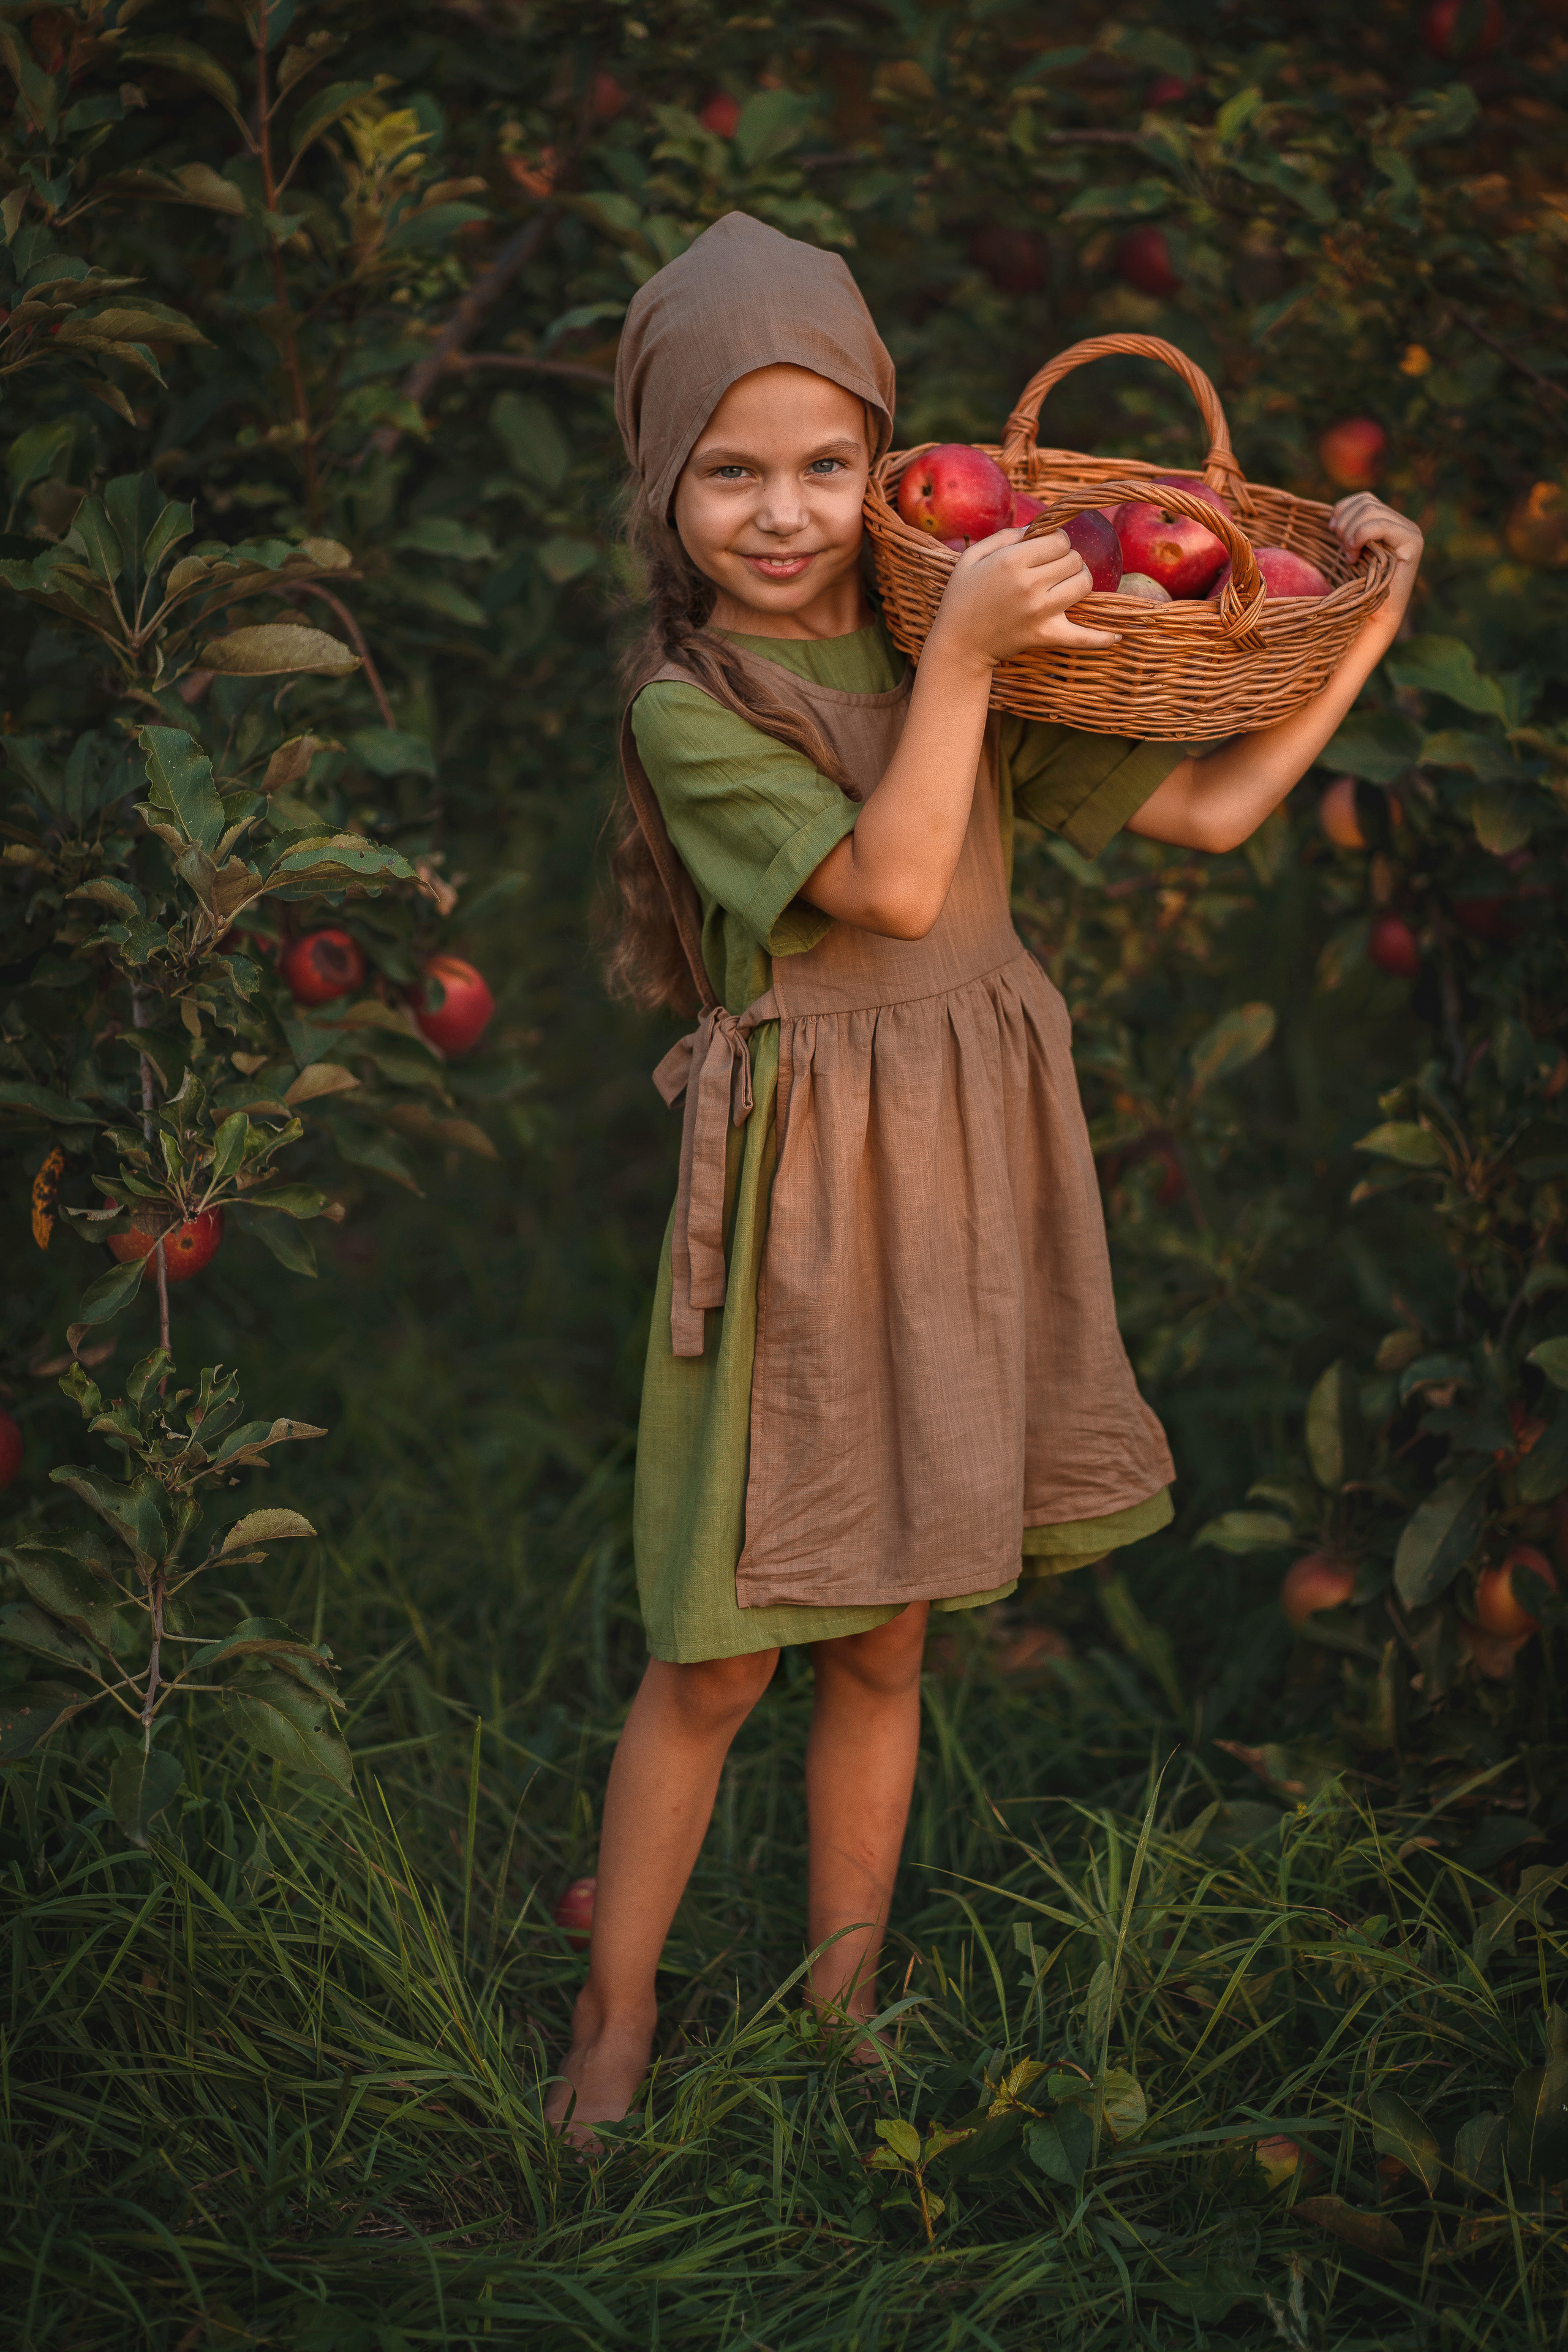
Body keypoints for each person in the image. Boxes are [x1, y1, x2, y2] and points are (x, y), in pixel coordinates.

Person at [545, 211, 1423, 2139]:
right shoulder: (695, 709)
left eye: (827, 466)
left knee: (889, 1630)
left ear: (883, 463)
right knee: (714, 1652)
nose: (785, 515)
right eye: (731, 471)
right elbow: (896, 885)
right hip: (796, 1203)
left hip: (965, 1175)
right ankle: (613, 2033)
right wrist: (961, 655)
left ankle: (843, 2010)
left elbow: (1206, 804)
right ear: (664, 487)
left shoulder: (960, 633)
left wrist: (1358, 616)